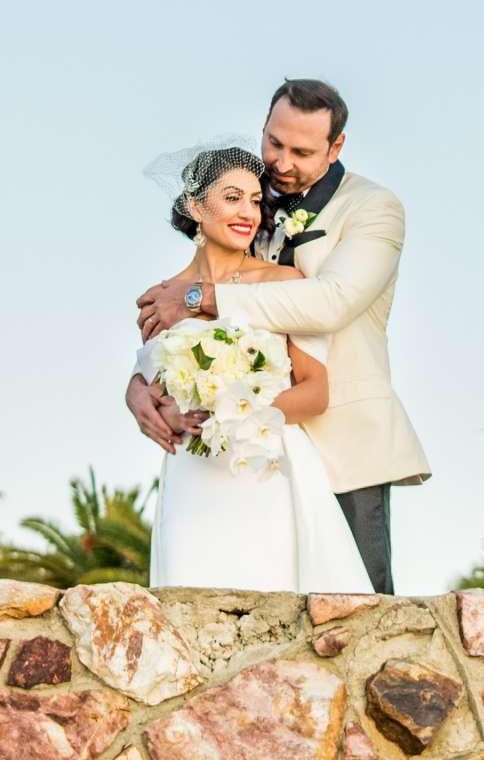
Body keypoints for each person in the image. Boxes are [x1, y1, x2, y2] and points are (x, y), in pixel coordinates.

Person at [130, 78, 428, 593]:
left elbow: (331, 301)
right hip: (226, 465)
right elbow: (176, 335)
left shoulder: (374, 208)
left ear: (336, 148)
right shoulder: (248, 200)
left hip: (340, 441)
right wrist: (138, 386)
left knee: (357, 616)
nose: (282, 162)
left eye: (302, 151)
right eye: (274, 142)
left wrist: (203, 299)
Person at [136, 144, 374, 591]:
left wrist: (234, 415)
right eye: (231, 198)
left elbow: (315, 391)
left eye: (254, 199)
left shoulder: (284, 284)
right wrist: (138, 395)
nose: (248, 211)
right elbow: (155, 386)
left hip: (266, 474)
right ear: (194, 205)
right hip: (193, 479)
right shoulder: (161, 296)